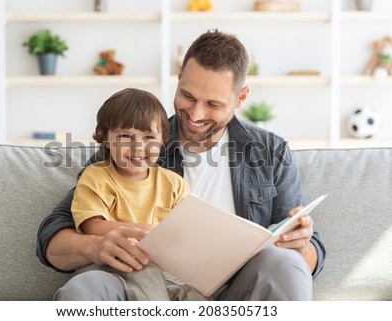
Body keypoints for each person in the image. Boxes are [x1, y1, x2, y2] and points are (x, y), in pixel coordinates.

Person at [36, 29, 326, 301]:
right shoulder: (131, 145)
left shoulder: (270, 151)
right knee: (86, 287)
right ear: (178, 77)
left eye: (213, 104)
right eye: (188, 96)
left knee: (285, 262)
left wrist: (299, 245)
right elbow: (52, 235)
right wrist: (95, 247)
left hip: (233, 293)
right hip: (143, 286)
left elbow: (313, 256)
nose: (196, 114)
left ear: (241, 97)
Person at [67, 87, 197, 300]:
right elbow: (93, 225)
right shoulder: (96, 177)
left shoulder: (174, 183)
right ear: (106, 139)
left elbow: (184, 232)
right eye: (126, 136)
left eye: (148, 137)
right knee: (146, 281)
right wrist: (147, 231)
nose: (138, 148)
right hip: (110, 266)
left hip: (161, 270)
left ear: (162, 139)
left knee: (195, 294)